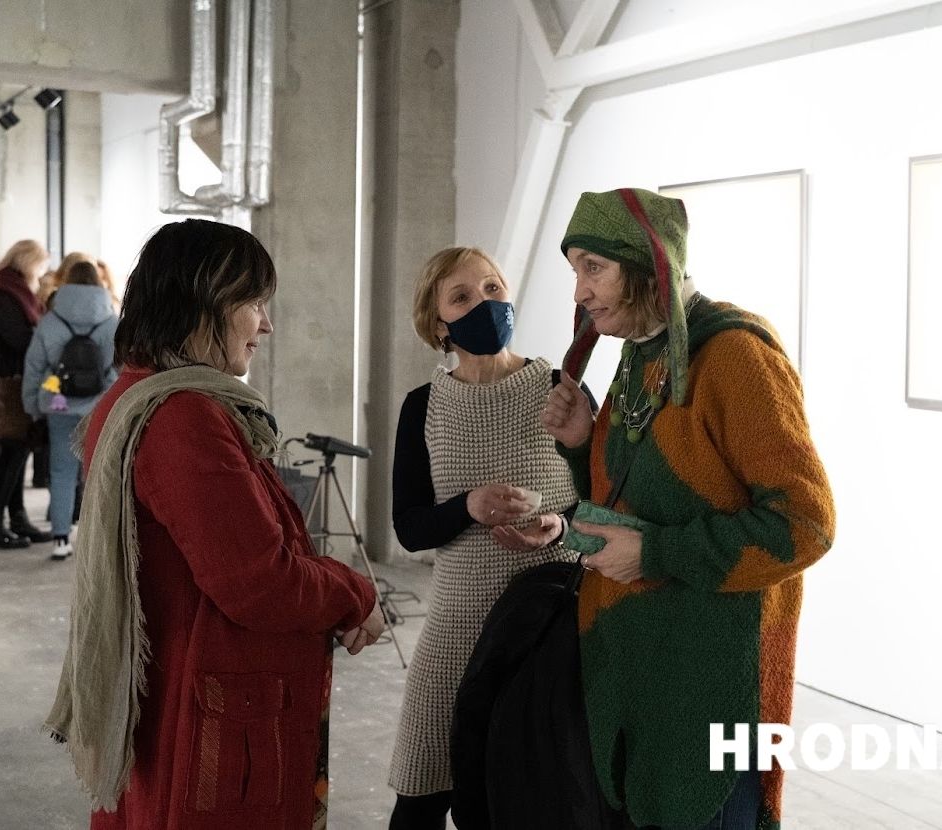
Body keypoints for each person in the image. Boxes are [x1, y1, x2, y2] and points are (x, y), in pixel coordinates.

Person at [43, 218, 386, 829]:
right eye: (253, 303)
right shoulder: (182, 416)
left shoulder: (136, 397)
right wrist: (354, 591)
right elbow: (260, 582)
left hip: (172, 697)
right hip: (210, 721)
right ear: (201, 305)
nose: (266, 325)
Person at [541, 188, 836, 830]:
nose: (580, 292)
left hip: (712, 693)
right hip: (642, 679)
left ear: (649, 265)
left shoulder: (734, 356)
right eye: (575, 270)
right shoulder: (642, 349)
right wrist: (583, 444)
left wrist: (658, 553)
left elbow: (806, 524)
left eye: (594, 268)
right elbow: (637, 499)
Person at [388, 246, 582, 829]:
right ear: (438, 324)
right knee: (419, 801)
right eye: (462, 297)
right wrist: (468, 507)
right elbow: (409, 527)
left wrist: (559, 527)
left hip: (545, 634)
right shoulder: (423, 407)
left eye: (493, 288)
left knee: (522, 802)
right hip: (454, 631)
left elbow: (604, 501)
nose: (485, 303)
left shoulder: (561, 389)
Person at [22, 260, 118, 560]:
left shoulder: (50, 321)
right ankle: (98, 538)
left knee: (61, 471)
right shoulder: (112, 320)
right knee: (99, 471)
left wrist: (32, 404)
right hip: (100, 403)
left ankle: (61, 538)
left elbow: (34, 366)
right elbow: (122, 364)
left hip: (58, 402)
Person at [0, 240, 53, 549]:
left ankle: (17, 520)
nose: (42, 273)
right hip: (7, 391)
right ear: (28, 262)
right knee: (11, 457)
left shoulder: (0, 289)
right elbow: (20, 341)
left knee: (13, 456)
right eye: (41, 266)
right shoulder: (7, 295)